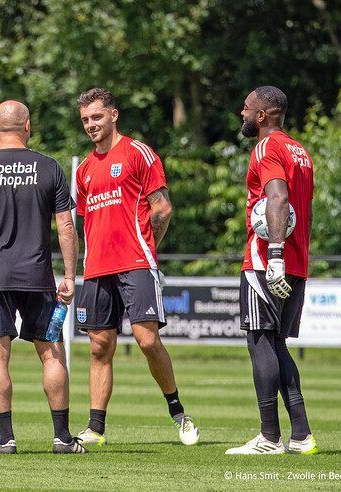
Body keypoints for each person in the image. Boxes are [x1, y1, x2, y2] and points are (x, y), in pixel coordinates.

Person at [0, 100, 85, 454]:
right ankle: (62, 437)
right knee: (52, 352)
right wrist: (70, 275)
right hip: (38, 277)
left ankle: (6, 439)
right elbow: (66, 226)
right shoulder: (49, 167)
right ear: (28, 126)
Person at [73, 87, 199, 447]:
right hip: (97, 269)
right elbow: (86, 224)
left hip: (136, 264)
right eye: (85, 120)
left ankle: (179, 413)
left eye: (96, 117)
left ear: (113, 115)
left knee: (146, 341)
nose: (91, 125)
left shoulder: (137, 152)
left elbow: (162, 209)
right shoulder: (83, 170)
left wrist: (146, 250)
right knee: (99, 347)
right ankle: (95, 428)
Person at [226, 86, 317, 455]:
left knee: (260, 340)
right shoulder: (301, 150)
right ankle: (300, 435)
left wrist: (274, 253)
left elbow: (277, 197)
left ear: (262, 115)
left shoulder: (267, 147)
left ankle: (269, 437)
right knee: (277, 344)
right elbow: (301, 209)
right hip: (298, 260)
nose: (241, 114)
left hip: (268, 259)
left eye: (246, 109)